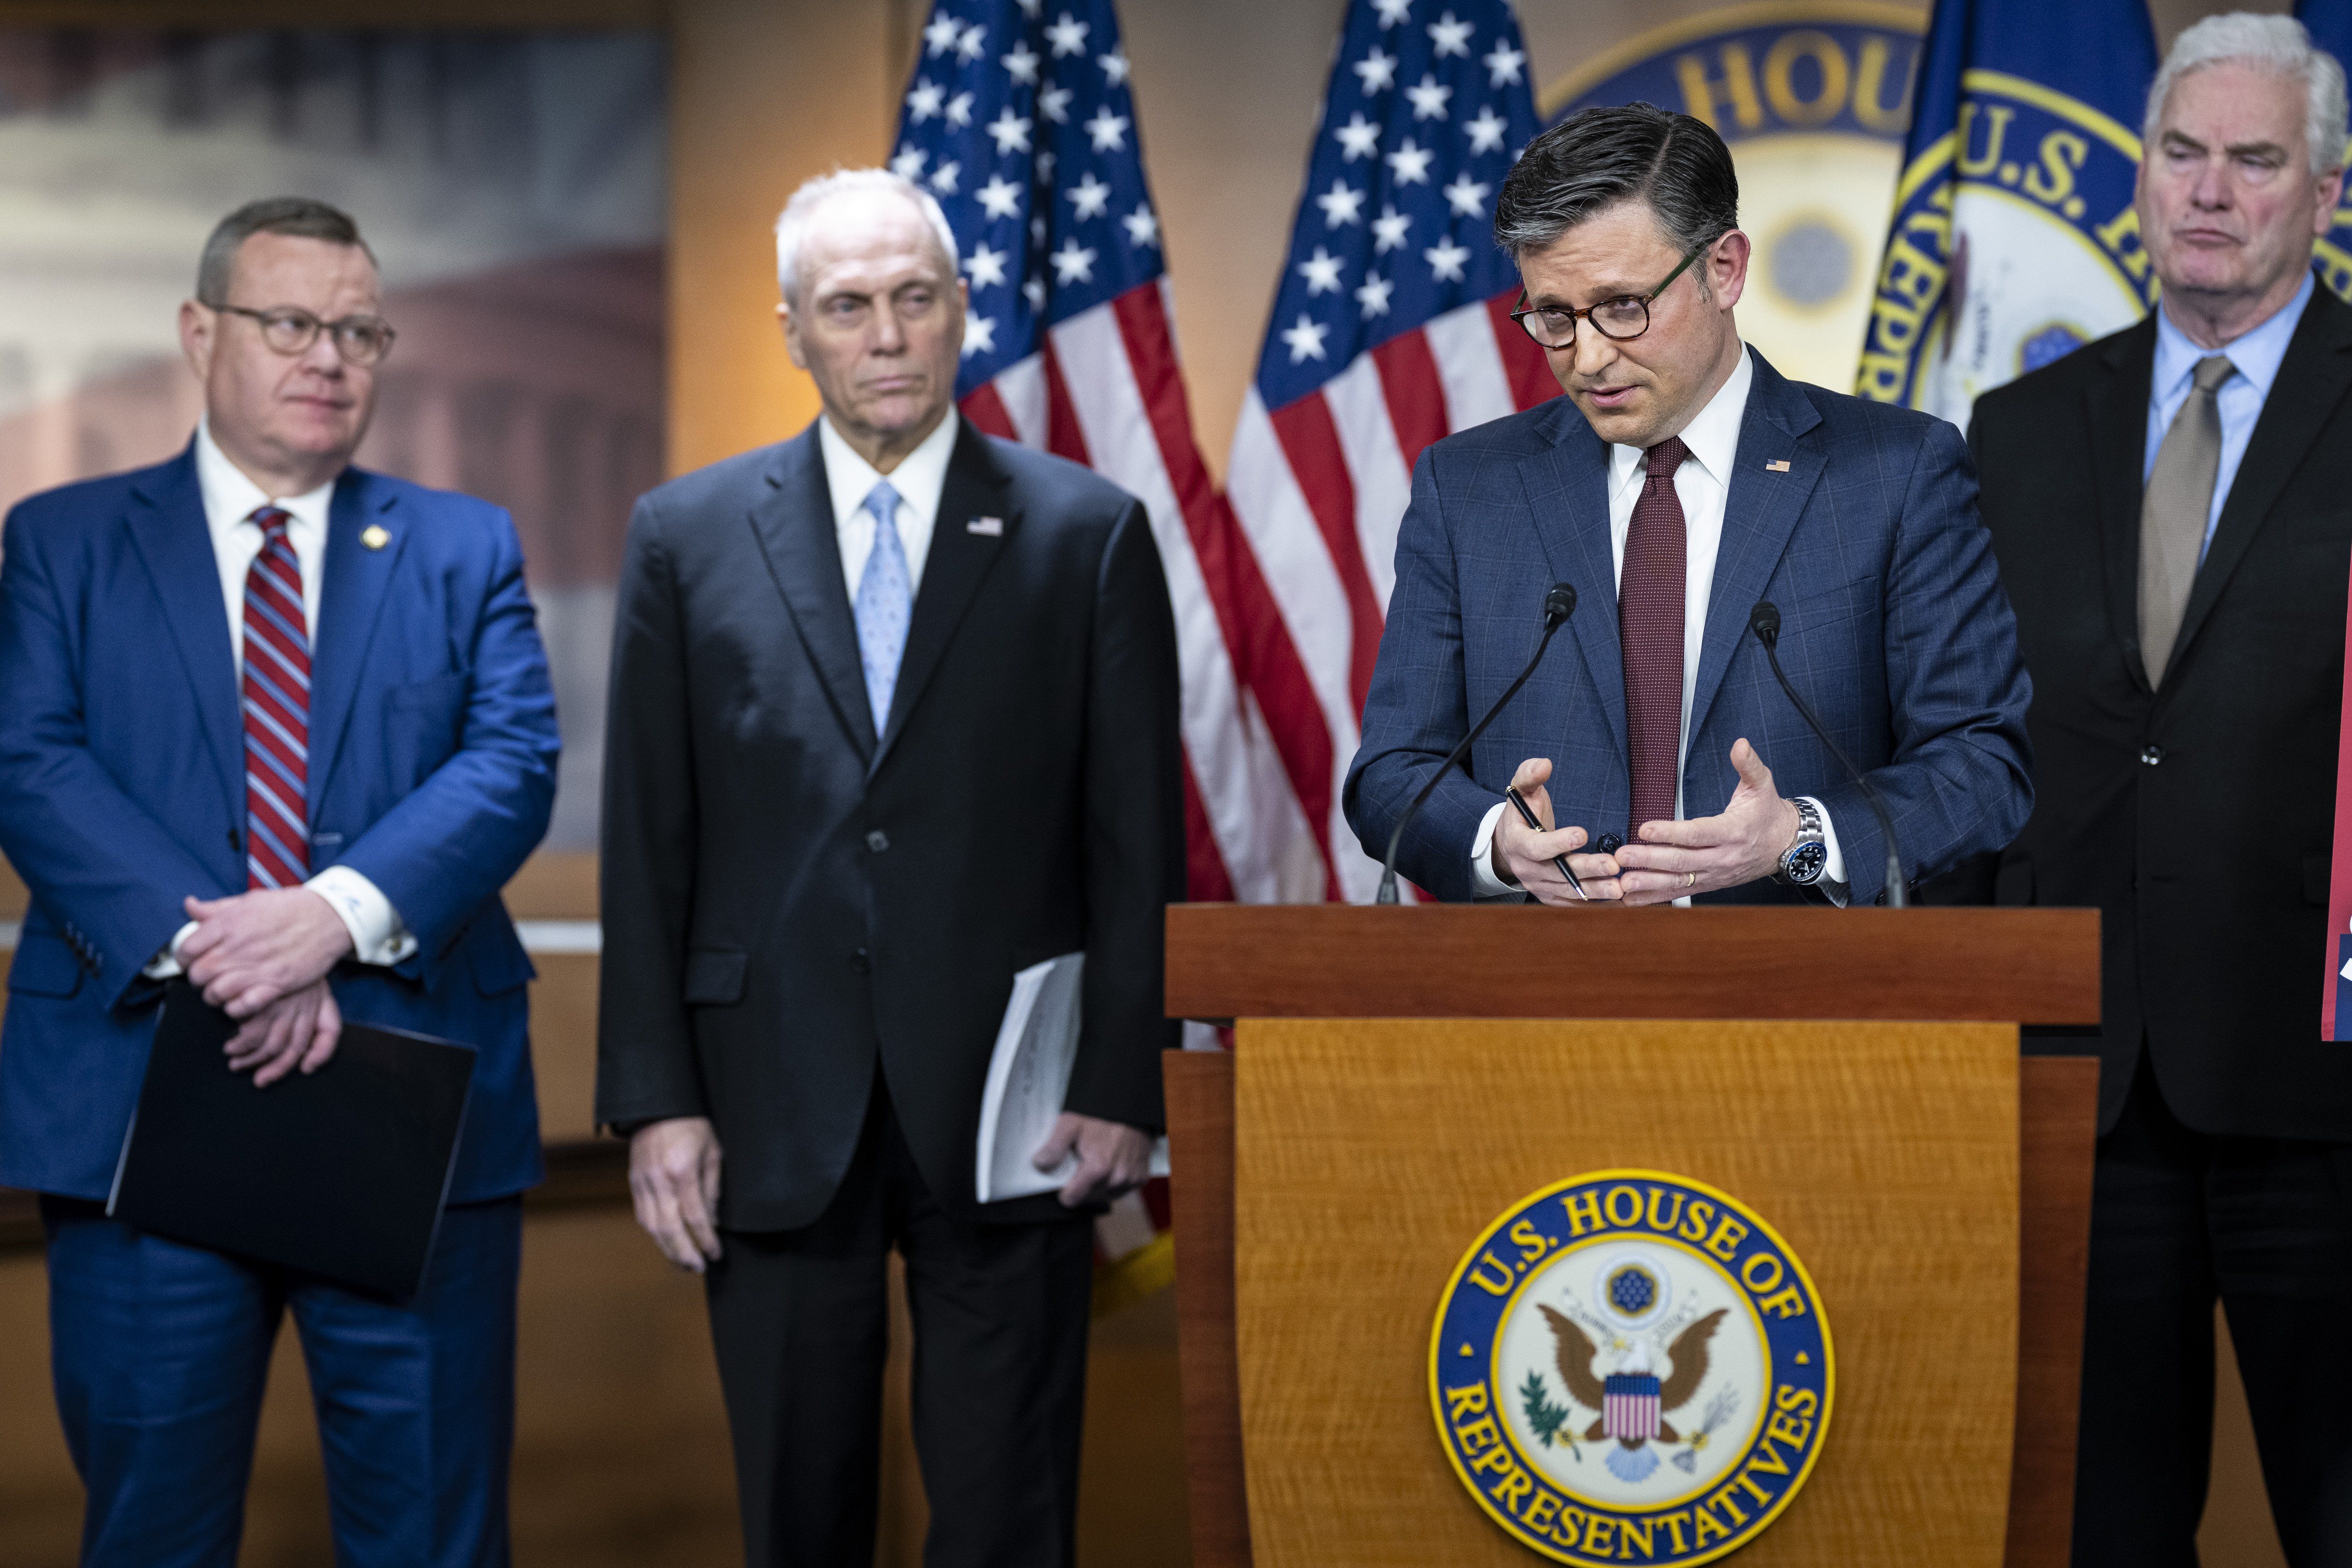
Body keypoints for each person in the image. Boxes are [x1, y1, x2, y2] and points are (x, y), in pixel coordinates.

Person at [595, 167, 1183, 1568]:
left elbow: (1134, 836)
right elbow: (647, 836)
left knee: (1006, 1516)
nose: (887, 333)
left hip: (1016, 1111)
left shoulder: (1083, 531)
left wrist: (1120, 1083)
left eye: (916, 298)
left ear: (961, 311)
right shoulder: (684, 536)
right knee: (800, 1513)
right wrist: (656, 1100)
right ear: (794, 327)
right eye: (848, 305)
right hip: (766, 1099)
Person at [0, 197, 560, 1566]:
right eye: (292, 323)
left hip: (409, 1105)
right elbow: (31, 761)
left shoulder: (461, 542)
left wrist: (326, 919)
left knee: (434, 1530)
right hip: (141, 1105)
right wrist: (233, 957)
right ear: (201, 333)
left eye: (360, 329)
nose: (330, 356)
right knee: (152, 1534)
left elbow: (511, 761)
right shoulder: (62, 540)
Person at [1953, 15, 2352, 1563]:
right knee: (2104, 1530)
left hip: (2324, 1086)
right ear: (2140, 176)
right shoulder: (2020, 430)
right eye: (2182, 153)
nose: (2211, 191)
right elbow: (1979, 750)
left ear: (2323, 190)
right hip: (2084, 1079)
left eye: (2254, 159)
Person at [1344, 104, 2032, 910]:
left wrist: (1801, 839)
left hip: (1802, 1011)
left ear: (1725, 269)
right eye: (1555, 317)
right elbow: (1394, 771)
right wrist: (1496, 842)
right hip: (1539, 1006)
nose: (1589, 357)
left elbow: (1983, 764)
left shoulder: (1895, 472)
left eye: (1624, 307)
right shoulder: (1468, 487)